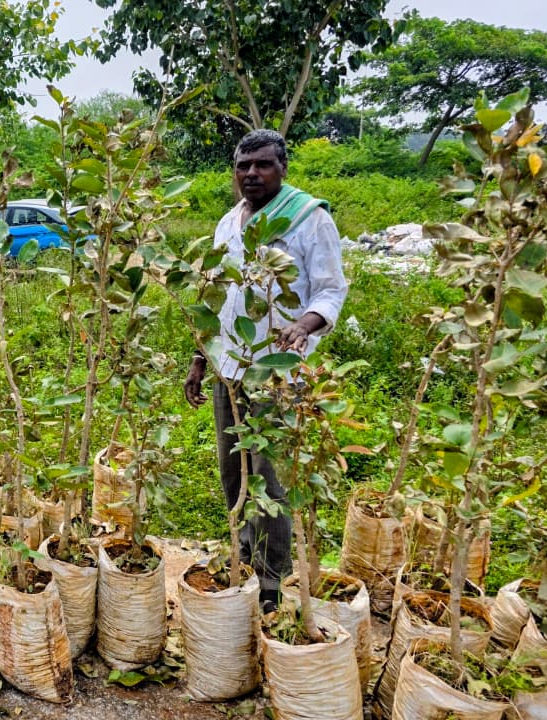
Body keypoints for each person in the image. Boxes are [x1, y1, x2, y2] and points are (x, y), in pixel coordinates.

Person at [183, 129, 349, 611]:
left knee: (270, 477)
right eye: (243, 165)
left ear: (282, 168)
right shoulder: (228, 223)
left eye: (262, 165)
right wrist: (199, 358)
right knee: (233, 471)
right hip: (228, 367)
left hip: (278, 373)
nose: (251, 173)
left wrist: (304, 324)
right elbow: (215, 296)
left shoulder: (308, 218)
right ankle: (242, 559)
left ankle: (273, 581)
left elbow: (330, 290)